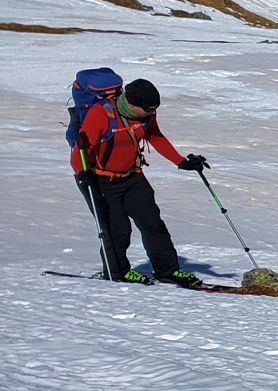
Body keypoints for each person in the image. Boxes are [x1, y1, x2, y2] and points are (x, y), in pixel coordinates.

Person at [71, 77, 210, 287]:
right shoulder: (101, 114)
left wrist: (181, 162)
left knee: (153, 223)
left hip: (132, 176)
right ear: (132, 103)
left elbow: (155, 136)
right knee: (117, 229)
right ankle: (117, 273)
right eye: (147, 109)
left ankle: (168, 270)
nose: (151, 113)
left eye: (153, 109)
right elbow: (79, 151)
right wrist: (83, 173)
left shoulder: (147, 114)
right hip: (100, 180)